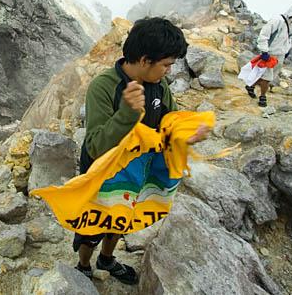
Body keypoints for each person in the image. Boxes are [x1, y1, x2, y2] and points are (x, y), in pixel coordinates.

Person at [75, 17, 210, 284]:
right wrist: (127, 113)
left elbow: (167, 120)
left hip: (136, 171)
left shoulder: (159, 86)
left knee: (120, 219)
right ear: (146, 60)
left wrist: (185, 134)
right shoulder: (104, 87)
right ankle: (84, 265)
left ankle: (107, 259)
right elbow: (96, 144)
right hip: (102, 173)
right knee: (93, 226)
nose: (168, 71)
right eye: (166, 65)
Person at [246, 3, 292, 107]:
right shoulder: (277, 20)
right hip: (270, 53)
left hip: (281, 54)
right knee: (267, 77)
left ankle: (250, 86)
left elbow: (289, 38)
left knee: (271, 76)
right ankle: (263, 97)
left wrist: (287, 50)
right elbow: (263, 35)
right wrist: (264, 51)